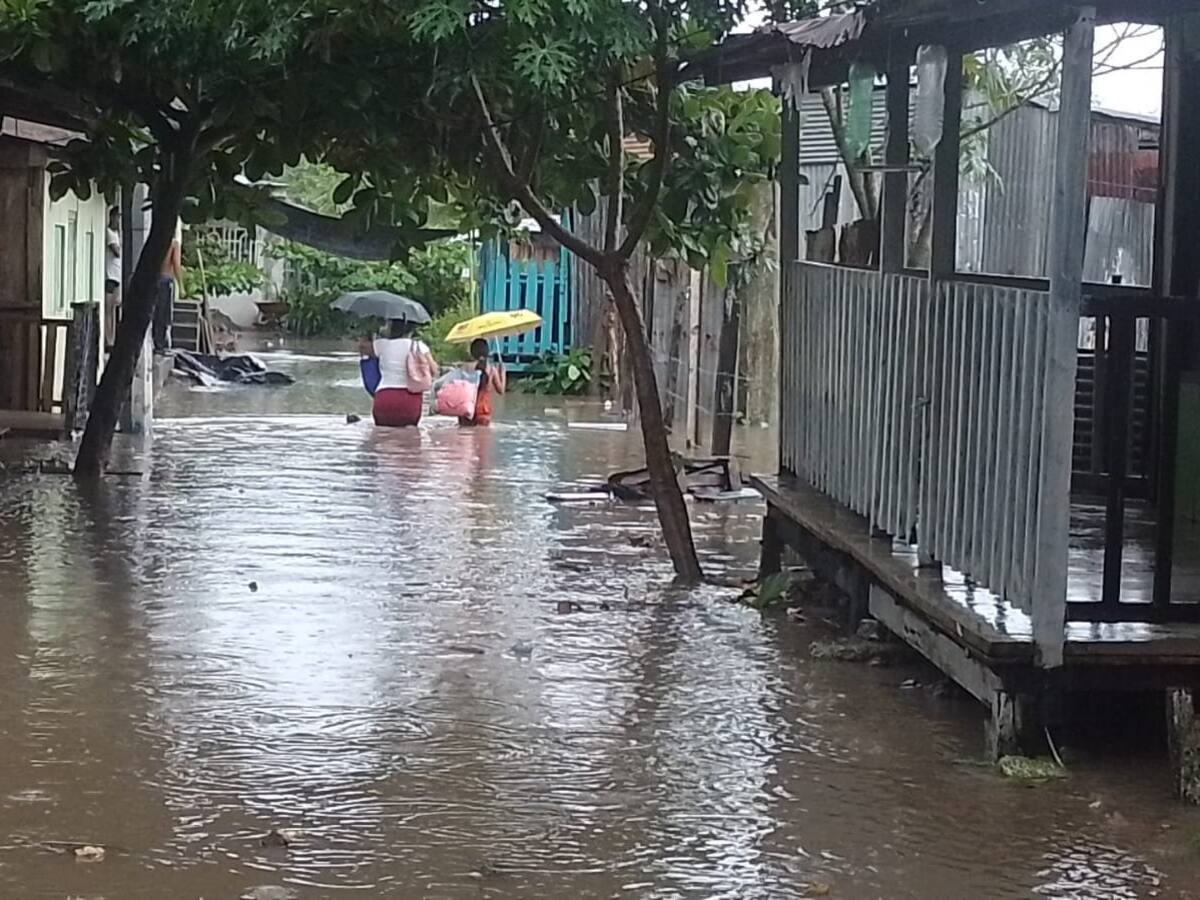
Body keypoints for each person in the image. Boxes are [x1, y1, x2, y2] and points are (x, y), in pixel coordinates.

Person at [372, 319, 436, 427]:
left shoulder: (380, 344)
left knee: (381, 439)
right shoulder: (419, 346)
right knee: (410, 439)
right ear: (411, 329)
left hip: (384, 397)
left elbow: (364, 350)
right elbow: (434, 370)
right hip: (410, 399)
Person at [459, 338, 505, 427]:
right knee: (482, 439)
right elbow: (501, 390)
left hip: (466, 407)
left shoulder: (465, 367)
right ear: (487, 352)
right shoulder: (491, 370)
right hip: (483, 409)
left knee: (465, 436)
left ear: (472, 353)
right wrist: (503, 373)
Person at [153, 218, 183, 352]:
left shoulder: (158, 242)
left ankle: (157, 341)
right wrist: (181, 285)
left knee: (157, 312)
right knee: (165, 314)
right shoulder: (174, 244)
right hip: (166, 280)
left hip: (156, 279)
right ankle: (162, 344)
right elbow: (176, 264)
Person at [104, 208, 121, 351]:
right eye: (117, 217)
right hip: (110, 275)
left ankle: (113, 338)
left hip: (117, 274)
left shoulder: (116, 234)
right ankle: (108, 338)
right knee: (108, 309)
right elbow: (117, 252)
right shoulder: (110, 234)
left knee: (114, 308)